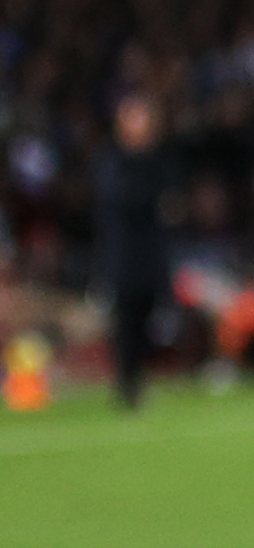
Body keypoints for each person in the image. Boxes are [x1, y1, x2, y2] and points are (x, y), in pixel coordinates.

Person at [93, 92, 173, 411]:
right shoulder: (113, 162)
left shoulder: (157, 161)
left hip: (151, 256)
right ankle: (127, 387)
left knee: (148, 321)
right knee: (126, 323)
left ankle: (138, 381)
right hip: (124, 256)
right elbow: (128, 201)